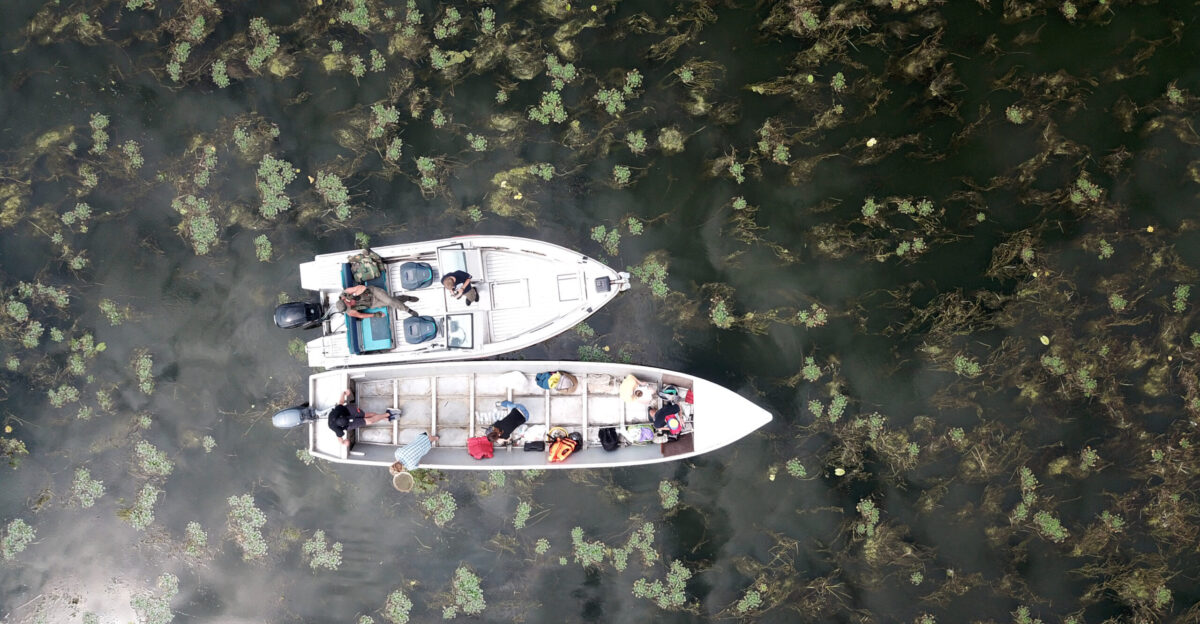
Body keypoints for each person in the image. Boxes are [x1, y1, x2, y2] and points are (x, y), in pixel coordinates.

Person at [327, 388, 400, 447]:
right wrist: (343, 443)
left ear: (341, 416)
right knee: (370, 421)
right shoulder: (335, 428)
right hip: (349, 424)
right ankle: (387, 415)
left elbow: (341, 401)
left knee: (368, 415)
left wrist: (344, 393)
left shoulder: (337, 410)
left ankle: (387, 415)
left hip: (348, 411)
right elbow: (339, 439)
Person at [335, 284, 420, 319]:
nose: (349, 305)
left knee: (389, 301)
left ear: (343, 300)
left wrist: (354, 296)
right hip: (372, 304)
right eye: (348, 307)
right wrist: (375, 315)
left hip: (372, 292)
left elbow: (362, 287)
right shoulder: (350, 312)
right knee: (391, 302)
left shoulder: (346, 293)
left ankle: (408, 310)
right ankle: (405, 298)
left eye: (347, 304)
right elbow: (361, 315)